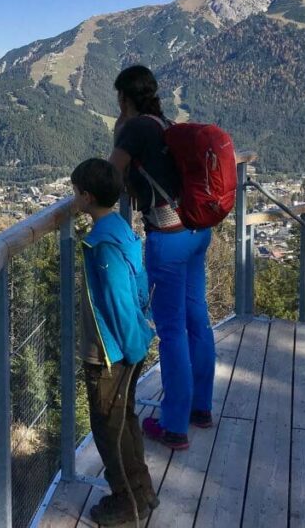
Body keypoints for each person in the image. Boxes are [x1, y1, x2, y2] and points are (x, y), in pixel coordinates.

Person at [108, 65, 214, 451]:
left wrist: (119, 126)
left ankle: (173, 426)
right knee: (196, 318)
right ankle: (201, 408)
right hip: (197, 231)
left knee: (170, 331)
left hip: (167, 238)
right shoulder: (166, 123)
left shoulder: (136, 128)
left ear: (125, 97)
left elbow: (110, 175)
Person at [71, 158, 157, 526]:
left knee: (108, 429)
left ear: (86, 197)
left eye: (75, 193)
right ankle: (141, 492)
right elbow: (138, 287)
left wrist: (131, 347)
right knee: (125, 423)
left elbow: (119, 300)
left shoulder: (102, 246)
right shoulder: (120, 229)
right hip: (130, 344)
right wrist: (141, 333)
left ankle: (126, 506)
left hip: (111, 353)